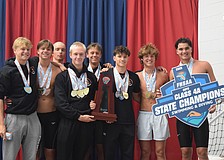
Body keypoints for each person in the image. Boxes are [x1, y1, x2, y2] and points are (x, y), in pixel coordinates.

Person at [169, 37, 216, 160]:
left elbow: (213, 86)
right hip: (182, 115)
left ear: (191, 49)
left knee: (202, 151)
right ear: (177, 51)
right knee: (185, 151)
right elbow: (173, 95)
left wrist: (214, 103)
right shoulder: (173, 72)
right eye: (181, 49)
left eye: (186, 48)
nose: (184, 51)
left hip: (201, 113)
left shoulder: (204, 65)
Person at [54, 41, 98, 160]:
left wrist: (94, 104)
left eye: (81, 54)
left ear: (85, 55)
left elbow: (96, 97)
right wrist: (78, 116)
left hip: (86, 123)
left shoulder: (91, 77)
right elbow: (60, 104)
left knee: (82, 156)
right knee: (64, 156)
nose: (78, 57)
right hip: (68, 122)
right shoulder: (62, 77)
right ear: (70, 55)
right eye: (76, 54)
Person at [0, 37, 41, 160]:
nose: (26, 52)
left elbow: (48, 59)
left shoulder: (33, 63)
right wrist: (1, 124)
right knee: (9, 156)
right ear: (15, 50)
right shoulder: (6, 71)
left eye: (28, 49)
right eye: (22, 49)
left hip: (33, 117)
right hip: (14, 118)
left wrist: (61, 66)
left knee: (31, 156)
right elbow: (0, 97)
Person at [100, 45, 140, 160]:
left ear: (128, 58)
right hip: (110, 120)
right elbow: (101, 98)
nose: (122, 59)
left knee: (128, 153)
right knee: (109, 153)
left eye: (125, 57)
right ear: (114, 58)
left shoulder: (133, 77)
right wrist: (105, 115)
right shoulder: (106, 75)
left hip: (128, 120)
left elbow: (137, 96)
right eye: (119, 56)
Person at [136, 43, 170, 160]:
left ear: (155, 57)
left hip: (160, 114)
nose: (149, 58)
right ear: (142, 59)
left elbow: (170, 93)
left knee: (160, 152)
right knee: (145, 152)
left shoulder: (163, 74)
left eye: (152, 56)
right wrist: (145, 98)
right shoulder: (137, 76)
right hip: (144, 114)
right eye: (146, 56)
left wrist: (162, 97)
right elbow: (135, 96)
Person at [36, 39, 61, 160]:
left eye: (48, 49)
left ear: (52, 52)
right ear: (37, 51)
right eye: (43, 49)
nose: (45, 51)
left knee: (50, 146)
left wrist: (61, 65)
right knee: (34, 145)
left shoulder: (57, 70)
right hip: (34, 113)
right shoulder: (30, 68)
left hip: (52, 113)